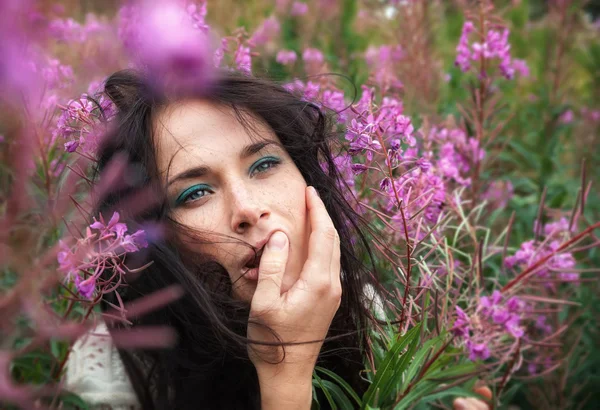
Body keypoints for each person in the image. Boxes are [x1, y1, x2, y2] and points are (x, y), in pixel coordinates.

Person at [64, 69, 491, 410]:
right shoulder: (113, 372)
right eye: (195, 193)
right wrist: (284, 371)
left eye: (264, 164)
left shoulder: (367, 312)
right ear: (159, 240)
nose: (248, 209)